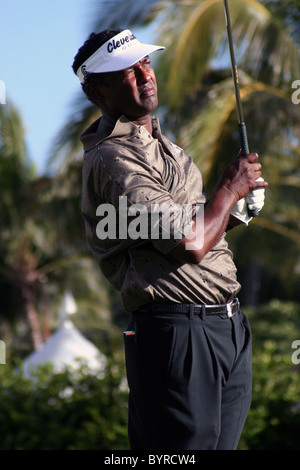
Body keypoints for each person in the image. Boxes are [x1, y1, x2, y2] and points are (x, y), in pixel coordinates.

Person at [72, 28, 268, 450]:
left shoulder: (168, 150)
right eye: (128, 71)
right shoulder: (114, 160)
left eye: (146, 63)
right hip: (176, 333)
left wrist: (235, 213)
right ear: (101, 93)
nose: (145, 75)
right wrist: (229, 190)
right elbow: (188, 244)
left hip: (226, 325)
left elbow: (198, 230)